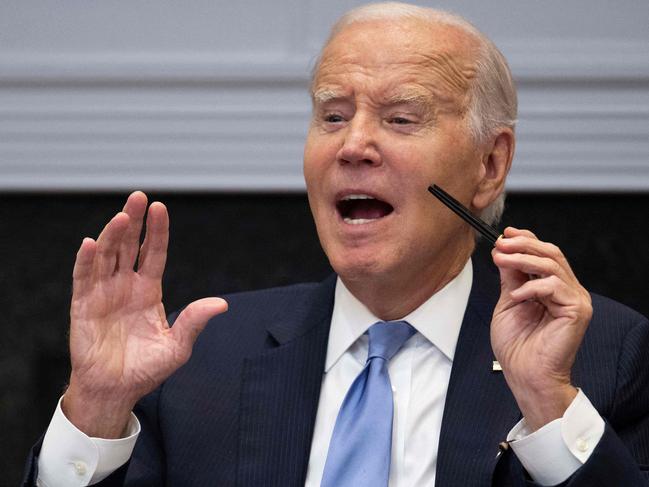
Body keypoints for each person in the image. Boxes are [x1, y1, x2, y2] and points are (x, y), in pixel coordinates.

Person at [24, 3, 649, 486]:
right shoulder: (197, 359)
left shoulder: (604, 356)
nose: (353, 145)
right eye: (332, 115)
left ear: (490, 165)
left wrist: (549, 404)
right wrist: (97, 411)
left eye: (401, 118)